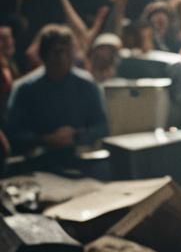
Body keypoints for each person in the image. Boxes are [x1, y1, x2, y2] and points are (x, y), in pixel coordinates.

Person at [6, 24, 108, 158]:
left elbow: (102, 126)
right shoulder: (25, 88)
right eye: (57, 52)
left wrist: (77, 136)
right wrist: (45, 139)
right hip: (38, 159)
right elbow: (13, 133)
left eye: (67, 52)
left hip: (79, 157)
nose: (62, 58)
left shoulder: (87, 85)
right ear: (44, 54)